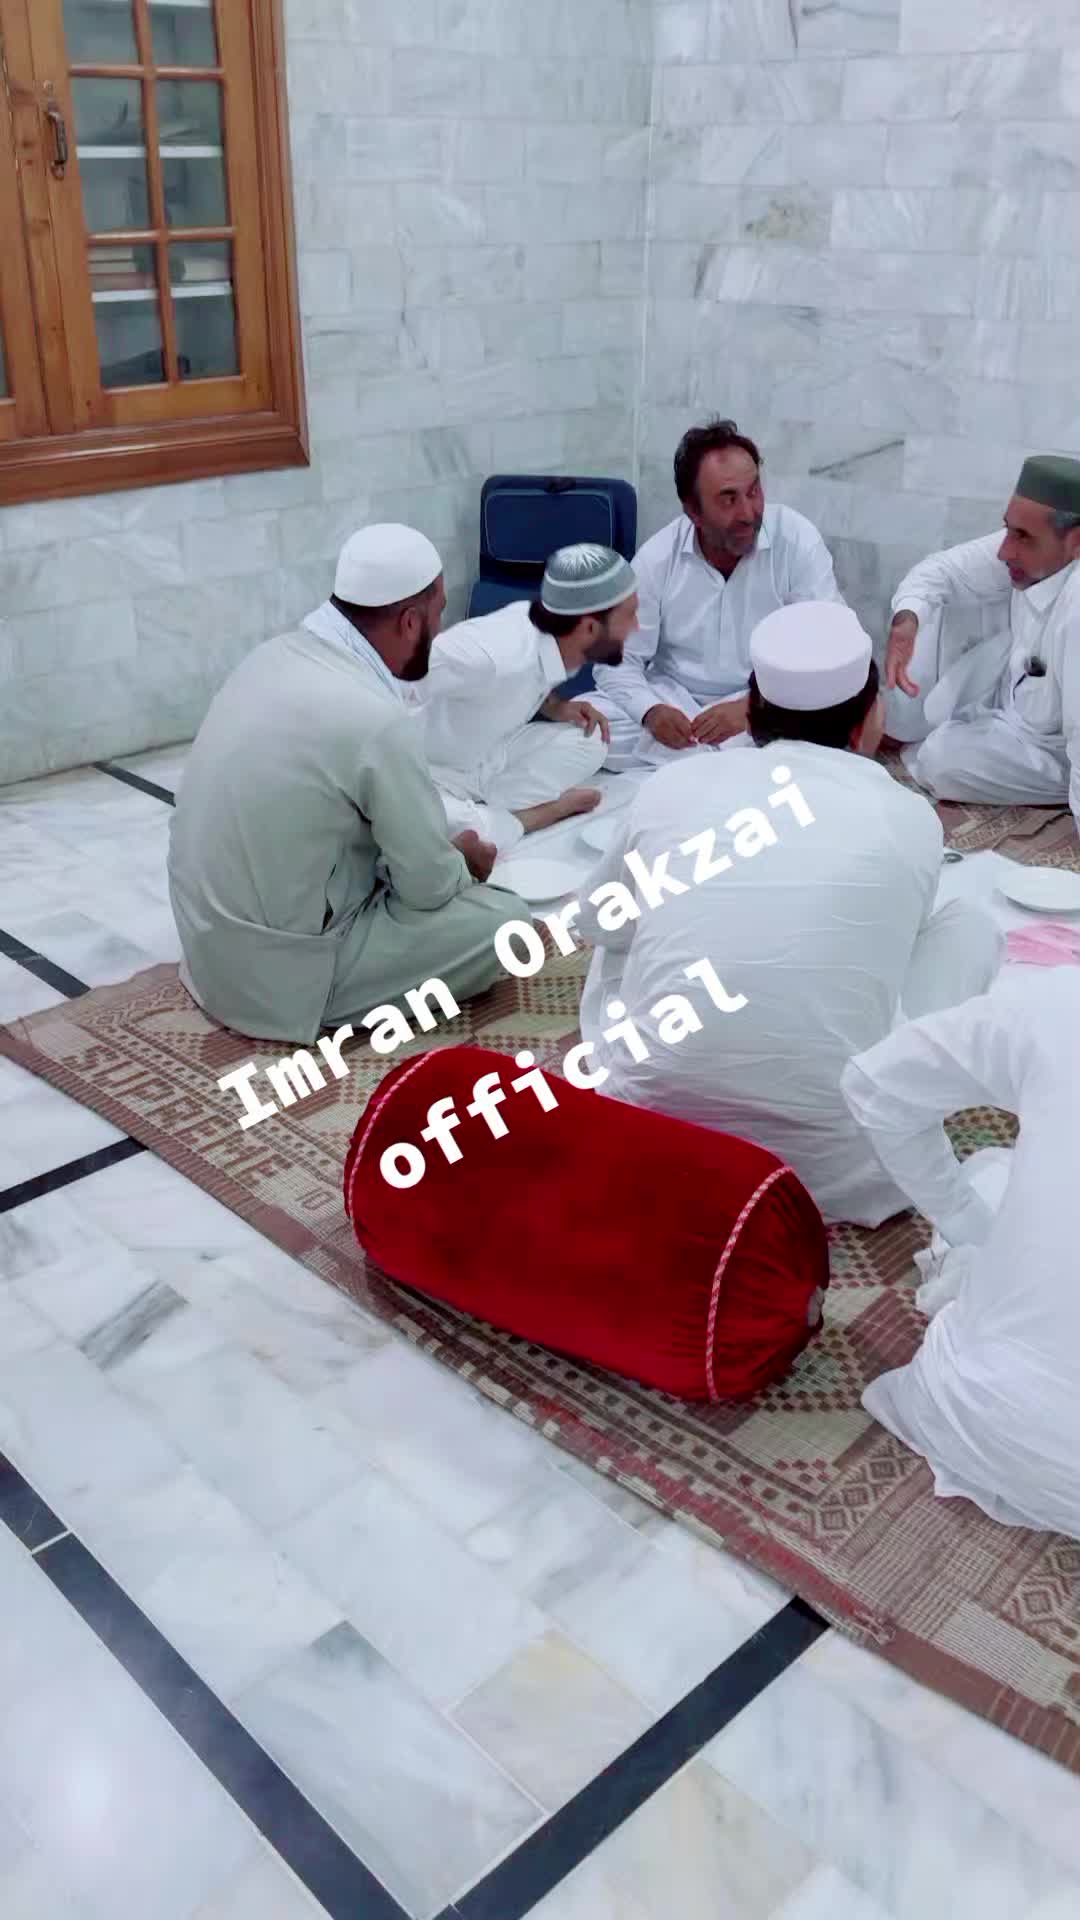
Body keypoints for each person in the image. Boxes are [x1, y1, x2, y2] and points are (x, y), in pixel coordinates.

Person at [574, 601, 1002, 1227]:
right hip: (840, 1169)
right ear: (868, 721)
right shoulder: (908, 815)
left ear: (751, 710)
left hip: (654, 1131)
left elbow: (596, 924)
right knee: (970, 927)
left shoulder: (671, 786)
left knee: (621, 932)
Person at [168, 524, 527, 1045]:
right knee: (508, 925)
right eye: (439, 613)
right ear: (410, 622)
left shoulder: (270, 656)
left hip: (205, 947)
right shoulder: (375, 718)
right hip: (283, 978)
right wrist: (462, 865)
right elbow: (428, 889)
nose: (440, 629)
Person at [841, 972, 1080, 1539]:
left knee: (995, 1174)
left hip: (981, 1415)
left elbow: (874, 1086)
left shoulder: (1058, 1000)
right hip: (1000, 1417)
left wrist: (968, 1226)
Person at [589, 417, 845, 771]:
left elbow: (830, 644)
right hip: (676, 704)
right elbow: (615, 661)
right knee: (584, 730)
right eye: (728, 499)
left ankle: (694, 769)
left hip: (767, 704)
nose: (748, 513)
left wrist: (753, 708)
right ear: (693, 510)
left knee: (819, 729)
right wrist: (651, 712)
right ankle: (713, 769)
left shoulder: (795, 540)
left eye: (753, 491)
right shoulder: (657, 558)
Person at [885, 454, 1080, 831]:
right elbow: (938, 572)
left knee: (940, 762)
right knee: (929, 607)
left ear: (1075, 542)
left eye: (1023, 537)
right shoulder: (1031, 550)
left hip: (1056, 751)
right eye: (1008, 529)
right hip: (1016, 699)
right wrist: (906, 622)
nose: (1005, 551)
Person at [410, 544, 639, 856]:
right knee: (448, 827)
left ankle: (492, 806)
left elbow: (529, 679)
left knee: (594, 738)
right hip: (431, 773)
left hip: (493, 752)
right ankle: (539, 813)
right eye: (630, 615)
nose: (636, 626)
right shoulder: (488, 654)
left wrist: (556, 707)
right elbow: (394, 677)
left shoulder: (551, 635)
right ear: (588, 627)